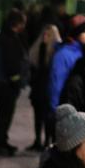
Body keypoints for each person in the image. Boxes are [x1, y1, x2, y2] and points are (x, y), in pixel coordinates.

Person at [0, 9, 28, 156]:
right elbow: (11, 63)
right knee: (5, 115)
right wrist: (16, 80)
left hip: (3, 82)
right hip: (6, 84)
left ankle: (1, 142)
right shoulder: (10, 39)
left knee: (4, 115)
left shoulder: (5, 36)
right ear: (18, 23)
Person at [25, 18, 63, 151]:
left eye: (48, 34)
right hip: (38, 87)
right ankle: (37, 140)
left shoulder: (56, 51)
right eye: (44, 34)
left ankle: (47, 140)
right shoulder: (39, 48)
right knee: (38, 116)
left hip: (48, 88)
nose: (45, 37)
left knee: (48, 116)